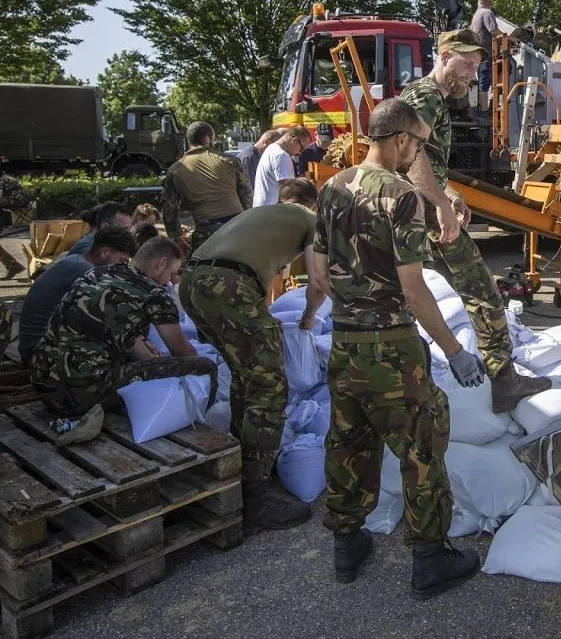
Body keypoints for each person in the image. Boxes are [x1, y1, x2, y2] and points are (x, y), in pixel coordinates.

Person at [315, 99, 486, 597]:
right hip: (391, 347)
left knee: (348, 442)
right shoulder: (403, 196)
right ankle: (429, 561)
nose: (418, 154)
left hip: (344, 343)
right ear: (402, 141)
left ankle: (347, 547)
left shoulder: (330, 188)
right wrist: (454, 349)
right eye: (418, 144)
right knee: (421, 447)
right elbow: (413, 288)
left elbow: (319, 273)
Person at [401, 29, 549, 413]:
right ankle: (503, 380)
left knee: (411, 293)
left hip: (414, 210)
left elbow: (428, 161)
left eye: (476, 68)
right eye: (467, 65)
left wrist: (449, 194)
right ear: (445, 55)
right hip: (419, 212)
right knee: (480, 289)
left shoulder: (428, 97)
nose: (471, 75)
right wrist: (441, 205)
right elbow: (412, 156)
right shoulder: (425, 95)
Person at [178, 178, 324, 533]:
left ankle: (240, 472)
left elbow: (257, 270)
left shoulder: (264, 214)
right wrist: (307, 319)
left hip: (192, 282)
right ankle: (255, 496)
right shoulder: (311, 221)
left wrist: (259, 316)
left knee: (246, 378)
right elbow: (319, 282)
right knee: (270, 388)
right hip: (229, 286)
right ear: (314, 206)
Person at [30, 237, 217, 444]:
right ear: (161, 263)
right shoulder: (154, 295)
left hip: (43, 383)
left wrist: (144, 349)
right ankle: (203, 428)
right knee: (204, 366)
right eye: (172, 274)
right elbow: (182, 352)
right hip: (79, 395)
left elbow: (108, 325)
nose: (171, 281)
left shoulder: (97, 272)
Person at [19, 228, 138, 366]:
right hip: (40, 355)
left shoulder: (76, 260)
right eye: (122, 261)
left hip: (37, 346)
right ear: (104, 252)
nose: (122, 268)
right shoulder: (86, 273)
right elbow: (112, 322)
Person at [162, 121, 253, 255]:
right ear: (206, 138)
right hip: (236, 229)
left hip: (205, 235)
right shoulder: (230, 161)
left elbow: (169, 211)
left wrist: (177, 238)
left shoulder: (175, 170)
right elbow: (247, 196)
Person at [254, 126, 312, 207]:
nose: (300, 153)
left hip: (263, 209)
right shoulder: (282, 156)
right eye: (301, 149)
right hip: (273, 212)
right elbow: (290, 192)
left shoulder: (271, 148)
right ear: (295, 141)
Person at [66, 202, 132, 256]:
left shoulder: (98, 244)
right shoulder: (88, 248)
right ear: (105, 227)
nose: (129, 234)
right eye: (124, 229)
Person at [470, 0, 499, 113]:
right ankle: (485, 109)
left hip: (478, 53)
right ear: (489, 2)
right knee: (486, 80)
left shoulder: (476, 15)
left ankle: (486, 105)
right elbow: (493, 30)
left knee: (484, 79)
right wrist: (509, 38)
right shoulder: (487, 12)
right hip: (485, 54)